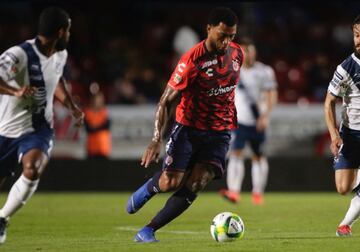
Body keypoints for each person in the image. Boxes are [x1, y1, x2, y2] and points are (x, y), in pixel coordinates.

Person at [126, 7, 244, 243]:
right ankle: (151, 187)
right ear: (209, 29)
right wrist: (156, 138)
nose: (226, 41)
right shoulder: (191, 60)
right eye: (222, 35)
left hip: (220, 131)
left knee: (198, 182)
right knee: (171, 182)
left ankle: (148, 230)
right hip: (188, 129)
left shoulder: (238, 54)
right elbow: (165, 100)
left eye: (231, 35)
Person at [0, 7, 83, 244]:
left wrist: (70, 105)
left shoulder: (60, 55)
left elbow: (56, 80)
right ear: (60, 32)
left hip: (38, 129)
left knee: (33, 167)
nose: (69, 35)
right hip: (5, 129)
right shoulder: (19, 54)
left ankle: (3, 218)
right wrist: (15, 90)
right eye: (68, 31)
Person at [220, 39, 278, 205]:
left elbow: (271, 95)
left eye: (250, 51)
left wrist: (265, 116)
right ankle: (234, 191)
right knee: (236, 153)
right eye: (245, 51)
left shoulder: (265, 71)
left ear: (255, 52)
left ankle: (258, 193)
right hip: (238, 121)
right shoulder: (232, 70)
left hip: (258, 121)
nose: (248, 55)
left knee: (258, 156)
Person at [324, 14, 360, 237]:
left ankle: (344, 225)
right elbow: (328, 103)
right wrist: (334, 135)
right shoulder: (346, 68)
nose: (359, 40)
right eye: (357, 35)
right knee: (343, 188)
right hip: (351, 134)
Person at [84, 91, 112, 159]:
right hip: (92, 148)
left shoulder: (104, 112)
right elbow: (88, 129)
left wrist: (94, 127)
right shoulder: (88, 112)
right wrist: (98, 127)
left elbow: (107, 125)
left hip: (103, 148)